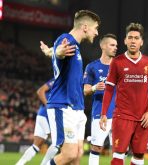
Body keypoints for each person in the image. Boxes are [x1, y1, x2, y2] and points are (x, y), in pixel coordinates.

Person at [100, 22, 148, 165]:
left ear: (141, 42)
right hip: (122, 116)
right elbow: (109, 89)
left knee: (139, 156)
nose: (133, 41)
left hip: (143, 118)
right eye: (130, 37)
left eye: (136, 38)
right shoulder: (117, 62)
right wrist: (103, 113)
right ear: (125, 40)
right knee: (118, 155)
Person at [46, 10, 100, 165]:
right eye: (95, 28)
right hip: (63, 105)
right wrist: (57, 53)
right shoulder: (66, 39)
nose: (96, 32)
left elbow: (57, 55)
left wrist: (51, 52)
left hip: (77, 108)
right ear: (85, 27)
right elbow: (60, 52)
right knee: (69, 154)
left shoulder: (76, 47)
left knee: (77, 156)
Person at [83, 34, 118, 165]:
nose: (115, 48)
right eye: (112, 45)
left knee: (119, 149)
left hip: (118, 114)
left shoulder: (119, 66)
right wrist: (94, 87)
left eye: (116, 46)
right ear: (103, 46)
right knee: (96, 147)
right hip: (99, 113)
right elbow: (85, 90)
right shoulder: (91, 67)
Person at [16, 79, 59, 165]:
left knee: (36, 146)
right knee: (57, 142)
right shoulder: (57, 80)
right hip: (46, 116)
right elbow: (40, 91)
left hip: (42, 115)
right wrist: (49, 107)